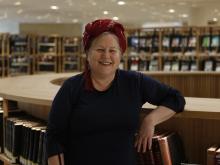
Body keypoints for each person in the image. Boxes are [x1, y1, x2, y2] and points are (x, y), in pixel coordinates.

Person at [46, 19, 185, 165]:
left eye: (113, 50)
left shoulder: (135, 82)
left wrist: (150, 120)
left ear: (120, 55)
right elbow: (54, 137)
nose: (106, 56)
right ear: (87, 53)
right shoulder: (71, 87)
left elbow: (176, 98)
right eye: (100, 50)